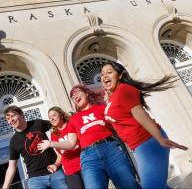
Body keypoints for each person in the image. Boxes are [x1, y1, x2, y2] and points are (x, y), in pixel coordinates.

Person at [100, 61, 188, 189]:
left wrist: (160, 139)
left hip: (148, 142)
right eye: (102, 74)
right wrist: (108, 100)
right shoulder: (113, 97)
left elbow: (139, 113)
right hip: (139, 146)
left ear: (119, 75)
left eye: (109, 72)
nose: (104, 76)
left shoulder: (123, 89)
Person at [38, 85, 142, 189]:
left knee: (128, 185)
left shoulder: (102, 108)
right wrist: (51, 143)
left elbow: (119, 126)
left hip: (110, 149)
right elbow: (70, 143)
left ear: (86, 93)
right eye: (72, 96)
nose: (75, 96)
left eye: (77, 92)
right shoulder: (74, 119)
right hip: (89, 157)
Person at [2, 105, 68, 189]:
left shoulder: (37, 123)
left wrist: (60, 140)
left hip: (55, 172)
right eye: (8, 119)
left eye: (13, 116)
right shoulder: (14, 141)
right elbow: (11, 166)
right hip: (35, 180)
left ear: (21, 114)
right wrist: (5, 187)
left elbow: (56, 126)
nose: (11, 120)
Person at [48, 106, 85, 189]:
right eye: (49, 117)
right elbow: (60, 154)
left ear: (61, 115)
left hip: (84, 164)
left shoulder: (72, 125)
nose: (52, 119)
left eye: (54, 115)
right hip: (70, 170)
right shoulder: (54, 134)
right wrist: (56, 165)